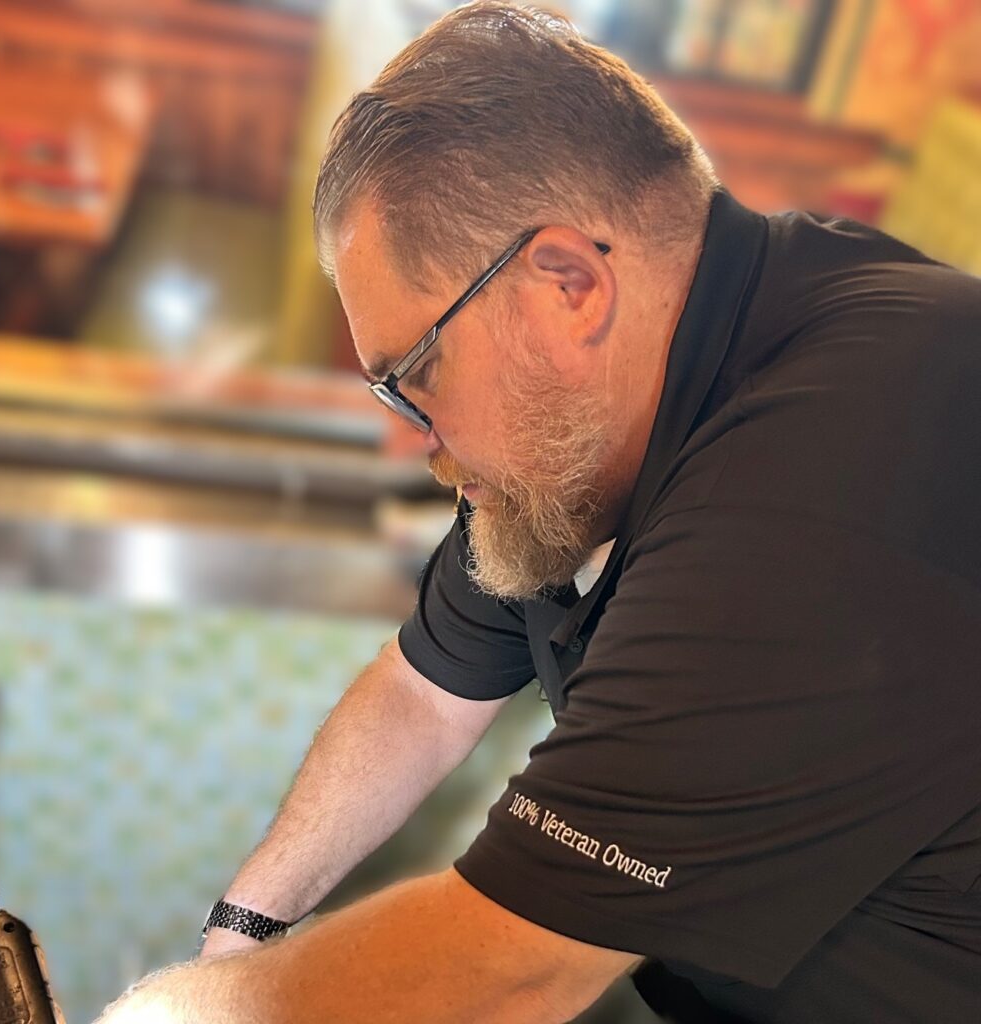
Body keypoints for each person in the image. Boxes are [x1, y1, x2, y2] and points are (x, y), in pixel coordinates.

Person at [96, 3, 981, 1022]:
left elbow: (502, 970)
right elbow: (424, 692)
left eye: (413, 373)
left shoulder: (842, 458)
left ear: (566, 286)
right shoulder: (582, 439)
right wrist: (240, 932)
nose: (405, 439)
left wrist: (166, 1011)